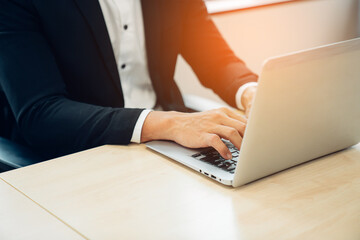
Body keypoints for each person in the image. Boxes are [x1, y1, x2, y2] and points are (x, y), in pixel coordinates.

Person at [0, 0, 258, 160]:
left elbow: (214, 58)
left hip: (169, 148)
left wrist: (250, 91)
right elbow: (40, 112)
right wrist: (167, 123)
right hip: (79, 154)